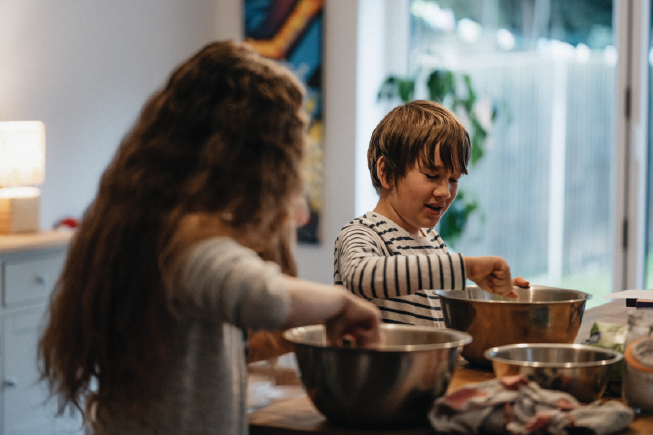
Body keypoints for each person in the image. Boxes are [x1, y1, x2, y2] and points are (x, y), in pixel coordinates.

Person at [38, 41, 381, 435]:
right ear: (250, 160)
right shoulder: (185, 243)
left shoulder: (144, 221)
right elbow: (261, 296)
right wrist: (342, 303)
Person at [334, 100, 528, 328]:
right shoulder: (363, 234)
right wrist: (466, 267)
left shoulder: (434, 242)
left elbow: (438, 300)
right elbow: (361, 276)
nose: (445, 192)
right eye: (431, 175)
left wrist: (494, 293)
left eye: (453, 179)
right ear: (386, 173)